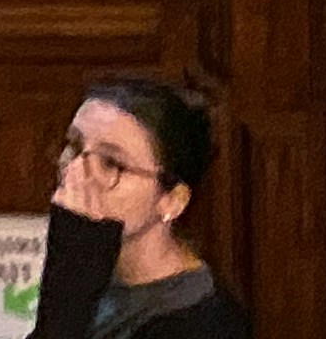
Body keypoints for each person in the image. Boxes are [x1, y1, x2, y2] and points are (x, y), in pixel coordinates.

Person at [39, 75, 247, 338]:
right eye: (74, 147)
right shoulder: (96, 280)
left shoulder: (203, 324)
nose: (73, 171)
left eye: (112, 164)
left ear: (172, 200)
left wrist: (73, 262)